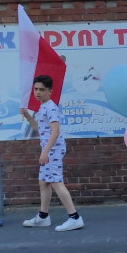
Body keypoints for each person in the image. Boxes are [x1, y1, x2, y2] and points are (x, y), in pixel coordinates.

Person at [19, 75, 83, 231]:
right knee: (44, 182)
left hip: (53, 149)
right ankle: (43, 216)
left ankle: (74, 217)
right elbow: (39, 129)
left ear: (49, 91)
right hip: (49, 149)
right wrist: (27, 116)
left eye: (42, 89)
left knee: (55, 182)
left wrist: (45, 152)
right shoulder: (43, 107)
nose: (38, 92)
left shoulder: (51, 107)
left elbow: (55, 131)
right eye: (36, 89)